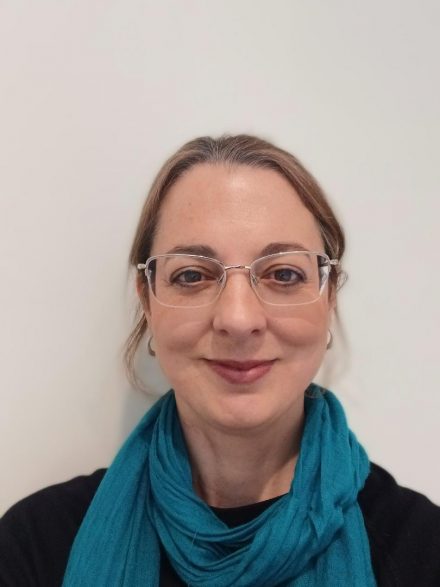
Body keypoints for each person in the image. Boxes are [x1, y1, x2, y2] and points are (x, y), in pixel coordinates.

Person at [1, 135, 440, 587]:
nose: (238, 319)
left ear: (329, 297)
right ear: (147, 302)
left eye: (283, 273)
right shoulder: (35, 547)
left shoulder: (422, 550)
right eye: (192, 275)